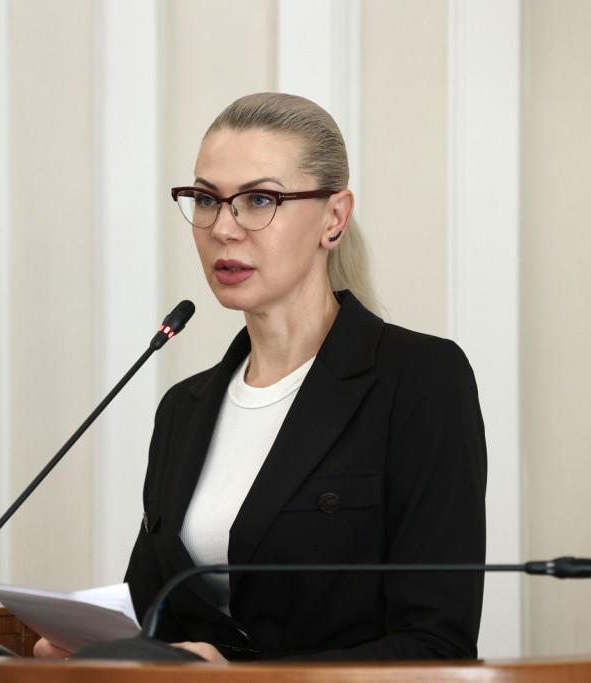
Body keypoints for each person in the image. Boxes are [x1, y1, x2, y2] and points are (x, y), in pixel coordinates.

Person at [36, 92, 486, 662]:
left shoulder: (419, 380)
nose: (224, 228)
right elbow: (156, 616)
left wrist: (242, 677)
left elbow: (438, 644)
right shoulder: (183, 408)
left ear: (333, 218)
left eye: (259, 200)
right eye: (206, 199)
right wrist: (97, 653)